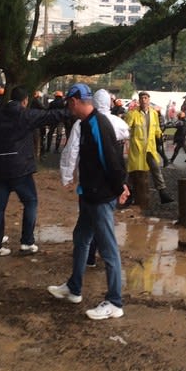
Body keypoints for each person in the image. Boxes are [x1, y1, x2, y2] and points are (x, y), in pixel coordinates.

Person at [47, 83, 130, 320]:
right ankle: (74, 288)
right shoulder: (84, 124)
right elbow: (81, 156)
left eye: (69, 105)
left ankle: (115, 302)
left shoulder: (99, 124)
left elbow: (112, 160)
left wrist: (120, 187)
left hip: (102, 197)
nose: (69, 109)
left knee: (108, 248)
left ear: (74, 101)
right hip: (88, 193)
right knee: (81, 238)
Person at [0, 86, 70, 256]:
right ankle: (27, 242)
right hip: (20, 168)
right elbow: (50, 116)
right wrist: (70, 111)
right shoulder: (25, 114)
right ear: (25, 101)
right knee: (30, 202)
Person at [60, 88, 130, 267]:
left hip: (93, 184)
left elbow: (72, 151)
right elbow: (119, 154)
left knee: (96, 228)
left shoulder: (90, 124)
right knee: (95, 227)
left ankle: (111, 289)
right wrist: (121, 183)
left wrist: (67, 176)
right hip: (108, 183)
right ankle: (82, 274)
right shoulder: (117, 123)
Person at [124, 91, 174, 204]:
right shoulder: (133, 114)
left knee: (156, 169)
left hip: (150, 148)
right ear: (139, 100)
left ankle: (163, 193)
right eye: (141, 98)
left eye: (145, 98)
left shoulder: (153, 113)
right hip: (137, 148)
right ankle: (129, 195)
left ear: (149, 99)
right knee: (133, 172)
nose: (143, 100)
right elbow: (126, 128)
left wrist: (160, 136)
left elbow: (156, 128)